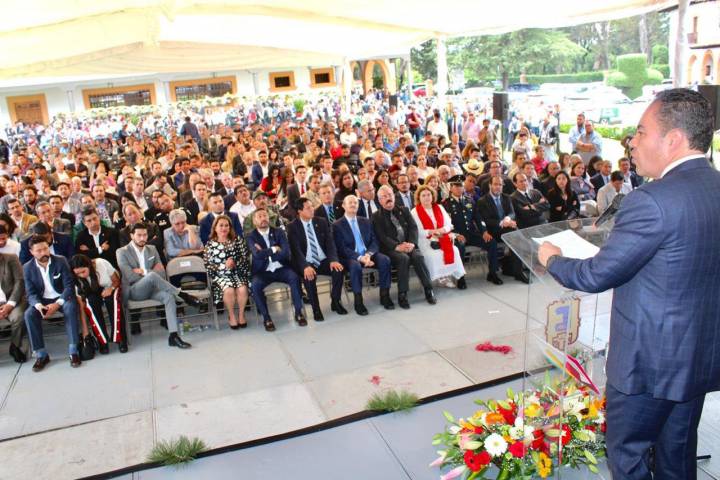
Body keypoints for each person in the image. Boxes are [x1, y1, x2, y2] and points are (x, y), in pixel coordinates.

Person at [538, 88, 720, 480]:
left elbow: (595, 275)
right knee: (677, 458)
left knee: (628, 458)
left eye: (640, 132)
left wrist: (551, 257)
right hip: (696, 357)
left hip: (647, 365)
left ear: (673, 139)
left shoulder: (651, 200)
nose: (631, 143)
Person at [116, 223, 202, 349]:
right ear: (132, 236)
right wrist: (149, 273)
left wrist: (142, 271)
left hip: (152, 288)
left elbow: (162, 273)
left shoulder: (152, 249)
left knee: (168, 297)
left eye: (145, 235)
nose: (142, 238)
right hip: (134, 291)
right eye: (139, 235)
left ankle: (173, 336)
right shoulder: (121, 252)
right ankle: (183, 295)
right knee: (152, 276)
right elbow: (130, 277)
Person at [23, 235, 81, 371]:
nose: (43, 252)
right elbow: (30, 293)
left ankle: (74, 351)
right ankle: (41, 355)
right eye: (39, 251)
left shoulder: (60, 260)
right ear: (31, 252)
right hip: (42, 301)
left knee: (70, 308)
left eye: (45, 249)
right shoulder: (27, 268)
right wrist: (39, 306)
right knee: (29, 314)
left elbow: (69, 286)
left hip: (62, 297)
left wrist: (57, 304)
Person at [373, 185, 436, 307]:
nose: (388, 198)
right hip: (392, 249)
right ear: (379, 200)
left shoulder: (404, 210)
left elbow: (413, 227)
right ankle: (402, 294)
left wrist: (412, 243)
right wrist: (397, 246)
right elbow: (382, 236)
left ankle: (429, 289)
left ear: (394, 196)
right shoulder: (376, 216)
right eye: (384, 196)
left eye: (390, 195)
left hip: (409, 244)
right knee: (403, 258)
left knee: (418, 257)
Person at [333, 194, 394, 315]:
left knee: (385, 260)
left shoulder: (365, 221)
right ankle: (358, 302)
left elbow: (374, 241)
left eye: (355, 202)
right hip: (350, 257)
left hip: (368, 254)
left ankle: (385, 295)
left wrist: (368, 255)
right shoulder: (337, 225)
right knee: (355, 266)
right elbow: (342, 248)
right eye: (350, 202)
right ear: (343, 206)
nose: (353, 204)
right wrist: (360, 258)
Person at [246, 209, 306, 331]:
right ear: (254, 221)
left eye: (265, 215)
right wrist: (274, 249)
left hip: (281, 268)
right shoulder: (251, 236)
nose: (263, 218)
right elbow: (257, 255)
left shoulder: (279, 232)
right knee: (255, 285)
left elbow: (286, 253)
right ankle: (266, 318)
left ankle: (298, 312)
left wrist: (265, 253)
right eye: (259, 216)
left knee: (294, 278)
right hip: (262, 272)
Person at [287, 197, 347, 321]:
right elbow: (296, 250)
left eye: (312, 206)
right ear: (299, 211)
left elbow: (330, 243)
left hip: (322, 259)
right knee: (309, 277)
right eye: (308, 208)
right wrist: (305, 266)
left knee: (338, 270)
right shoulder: (292, 227)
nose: (312, 209)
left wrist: (333, 260)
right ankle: (316, 309)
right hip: (306, 261)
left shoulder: (321, 221)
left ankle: (335, 301)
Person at [442, 175, 502, 285]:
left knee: (492, 242)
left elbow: (478, 218)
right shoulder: (446, 204)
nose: (459, 188)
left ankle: (492, 273)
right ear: (451, 188)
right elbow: (444, 224)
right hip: (456, 236)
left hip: (471, 234)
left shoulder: (469, 200)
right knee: (460, 248)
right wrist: (455, 235)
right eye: (456, 186)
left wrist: (484, 231)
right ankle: (460, 277)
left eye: (461, 186)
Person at [411, 184, 467, 289]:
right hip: (425, 240)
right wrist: (431, 232)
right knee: (433, 255)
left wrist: (442, 230)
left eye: (429, 195)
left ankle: (454, 276)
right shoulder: (414, 212)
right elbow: (415, 231)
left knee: (455, 250)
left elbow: (449, 225)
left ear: (433, 196)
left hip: (442, 237)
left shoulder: (439, 207)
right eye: (423, 195)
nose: (427, 197)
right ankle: (440, 278)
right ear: (419, 198)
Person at [69, 254, 127, 355]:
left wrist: (111, 289)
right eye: (78, 273)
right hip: (91, 292)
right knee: (91, 304)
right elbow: (81, 298)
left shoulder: (101, 263)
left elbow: (117, 281)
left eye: (83, 271)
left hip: (109, 287)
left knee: (112, 301)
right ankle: (102, 341)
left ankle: (121, 339)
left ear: (89, 265)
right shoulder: (75, 277)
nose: (82, 275)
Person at [476, 176, 528, 284]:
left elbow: (512, 213)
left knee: (516, 236)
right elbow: (486, 220)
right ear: (490, 185)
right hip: (491, 231)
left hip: (505, 229)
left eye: (500, 185)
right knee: (494, 243)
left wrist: (508, 219)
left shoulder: (506, 197)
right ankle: (492, 274)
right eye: (495, 184)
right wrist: (502, 222)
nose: (498, 187)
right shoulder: (482, 201)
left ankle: (518, 272)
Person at [203, 215, 251, 329]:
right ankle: (231, 315)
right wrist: (223, 266)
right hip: (220, 275)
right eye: (221, 225)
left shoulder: (237, 240)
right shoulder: (210, 245)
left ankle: (241, 314)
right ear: (215, 228)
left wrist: (235, 263)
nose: (224, 228)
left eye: (226, 225)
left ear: (230, 228)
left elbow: (245, 257)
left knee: (242, 289)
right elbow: (208, 265)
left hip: (238, 272)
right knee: (229, 290)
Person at [0, 252, 27, 363]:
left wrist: (10, 305)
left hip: (12, 299)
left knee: (19, 317)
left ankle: (15, 346)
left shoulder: (10, 258)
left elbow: (19, 281)